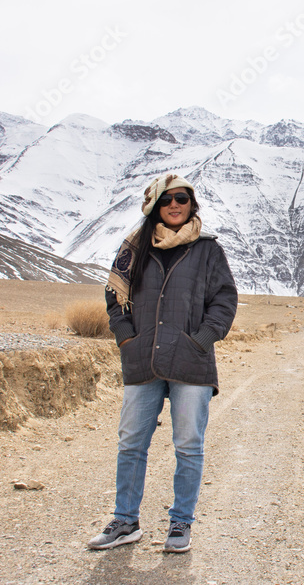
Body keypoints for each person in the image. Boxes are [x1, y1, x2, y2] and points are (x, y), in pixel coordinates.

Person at [87, 173, 237, 553]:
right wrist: (126, 339)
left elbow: (224, 300)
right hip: (144, 360)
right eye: (167, 199)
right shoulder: (134, 249)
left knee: (188, 445)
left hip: (191, 362)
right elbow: (113, 298)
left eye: (182, 199)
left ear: (192, 204)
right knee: (131, 443)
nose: (175, 205)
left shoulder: (208, 250)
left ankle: (180, 523)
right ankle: (125, 521)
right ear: (155, 205)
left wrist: (202, 340)